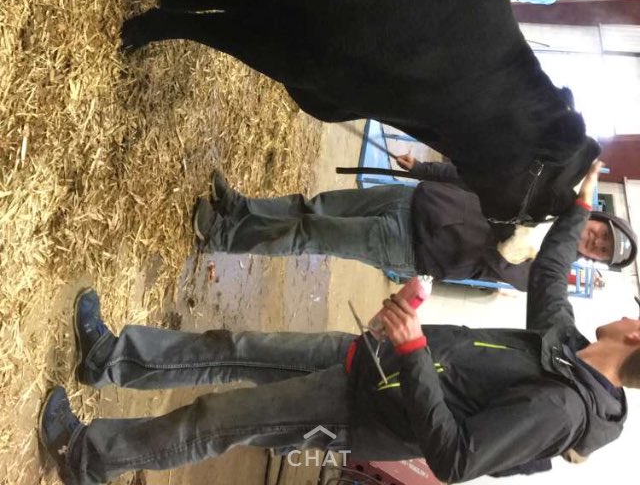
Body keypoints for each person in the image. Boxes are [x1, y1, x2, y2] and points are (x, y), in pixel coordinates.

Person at [39, 162, 638, 484]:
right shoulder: (564, 348)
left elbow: (457, 460)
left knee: (216, 420)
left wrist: (412, 349)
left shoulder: (563, 409)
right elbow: (551, 268)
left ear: (634, 338)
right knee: (237, 346)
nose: (626, 312)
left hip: (361, 408)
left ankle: (89, 457)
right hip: (370, 359)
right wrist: (582, 204)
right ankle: (111, 358)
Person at [191, 164, 636, 289]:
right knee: (316, 206)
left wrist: (518, 240)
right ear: (597, 218)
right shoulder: (548, 203)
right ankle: (241, 208)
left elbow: (502, 267)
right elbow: (479, 178)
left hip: (411, 245)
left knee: (311, 234)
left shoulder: (547, 270)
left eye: (599, 250)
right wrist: (423, 170)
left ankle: (221, 236)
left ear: (592, 260)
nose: (594, 241)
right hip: (416, 200)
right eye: (601, 233)